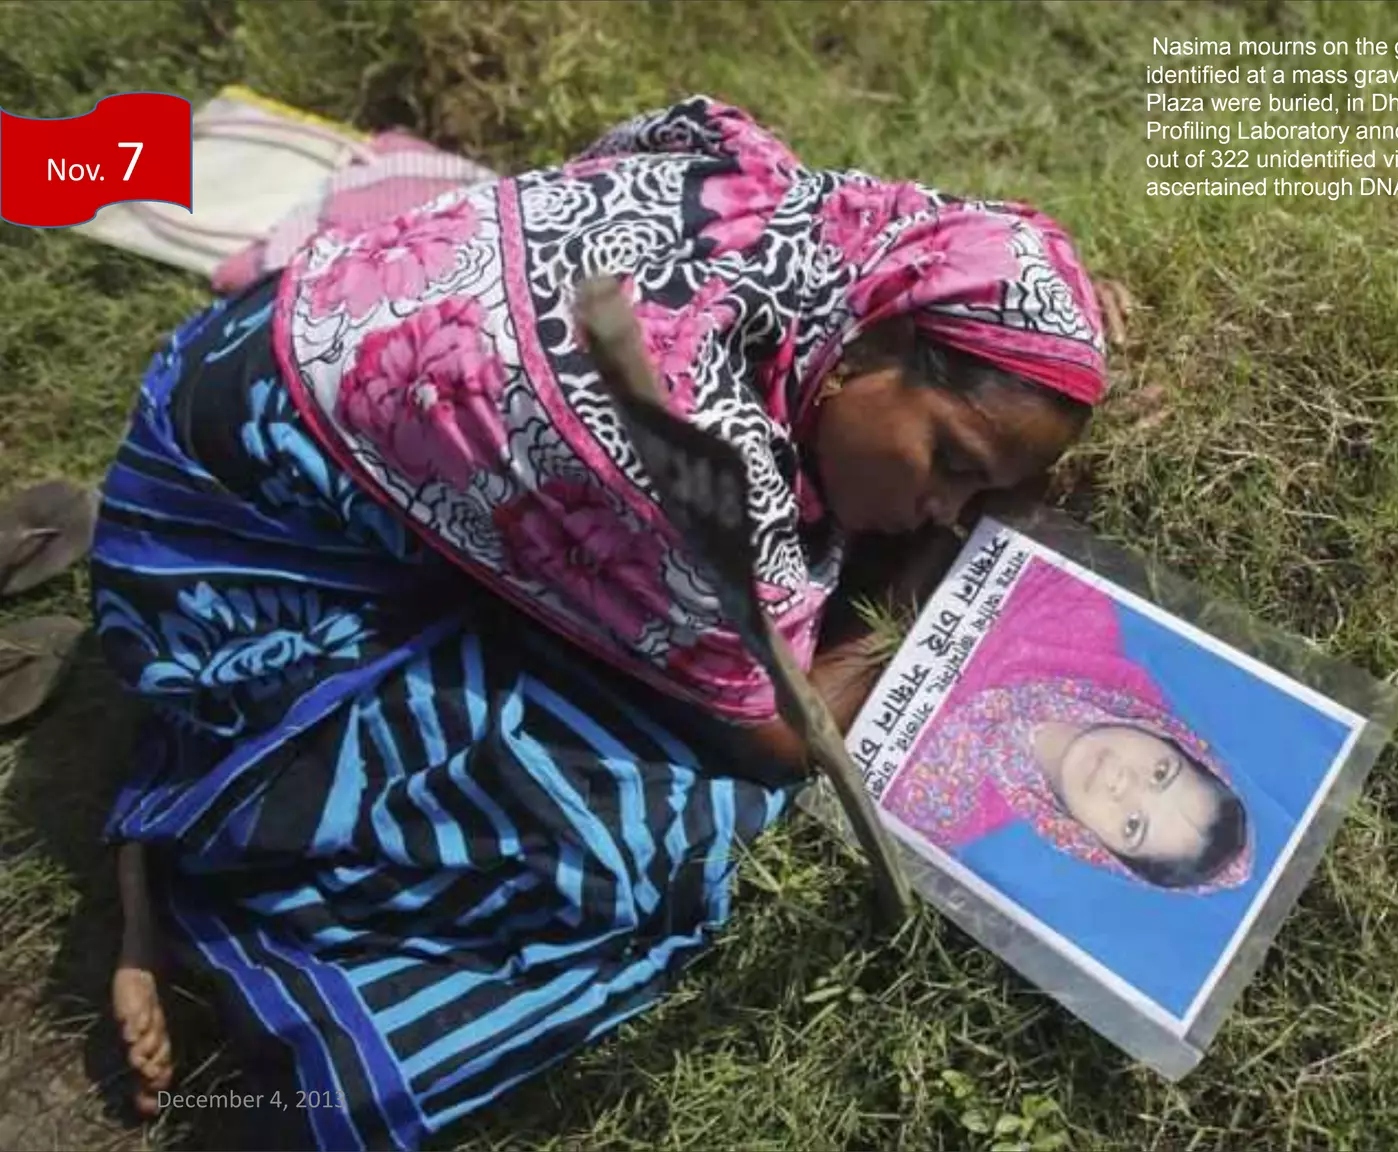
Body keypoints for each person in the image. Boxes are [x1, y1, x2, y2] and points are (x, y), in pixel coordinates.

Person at [87, 96, 1108, 1148]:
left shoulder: (764, 184)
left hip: (238, 383)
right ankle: (226, 956)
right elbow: (783, 742)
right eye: (949, 464)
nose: (946, 510)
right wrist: (917, 584)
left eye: (974, 497)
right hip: (223, 584)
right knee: (652, 843)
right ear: (870, 346)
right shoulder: (666, 451)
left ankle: (165, 832)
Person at [881, 561, 1252, 892]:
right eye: (1160, 772)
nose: (1124, 785)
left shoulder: (943, 812)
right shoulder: (1077, 605)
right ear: (1169, 739)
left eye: (1132, 826)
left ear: (1099, 849)